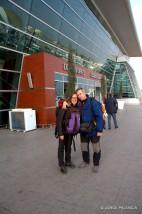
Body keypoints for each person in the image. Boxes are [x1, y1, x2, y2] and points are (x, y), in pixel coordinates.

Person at [75, 88, 103, 173]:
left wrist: (99, 130)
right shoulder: (79, 104)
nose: (79, 96)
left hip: (93, 130)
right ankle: (86, 161)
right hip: (83, 130)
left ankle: (96, 164)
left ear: (84, 92)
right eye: (78, 95)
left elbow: (99, 116)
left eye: (80, 93)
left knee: (96, 148)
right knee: (84, 147)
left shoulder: (92, 102)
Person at [56, 93, 79, 174]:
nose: (74, 99)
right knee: (61, 148)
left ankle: (68, 161)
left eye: (76, 98)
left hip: (70, 132)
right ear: (70, 98)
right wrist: (60, 133)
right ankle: (61, 164)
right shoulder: (64, 106)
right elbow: (59, 121)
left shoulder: (74, 107)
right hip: (62, 131)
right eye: (73, 97)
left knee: (68, 147)